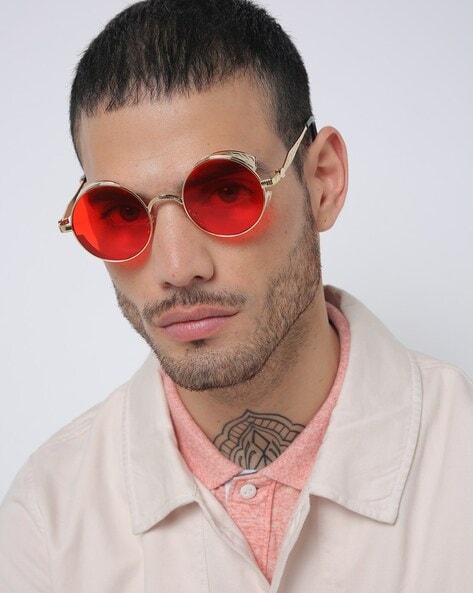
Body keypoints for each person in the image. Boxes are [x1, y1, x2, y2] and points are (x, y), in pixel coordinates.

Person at [1, 0, 472, 590]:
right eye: (120, 212)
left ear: (322, 181)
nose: (177, 268)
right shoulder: (47, 519)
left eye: (226, 192)